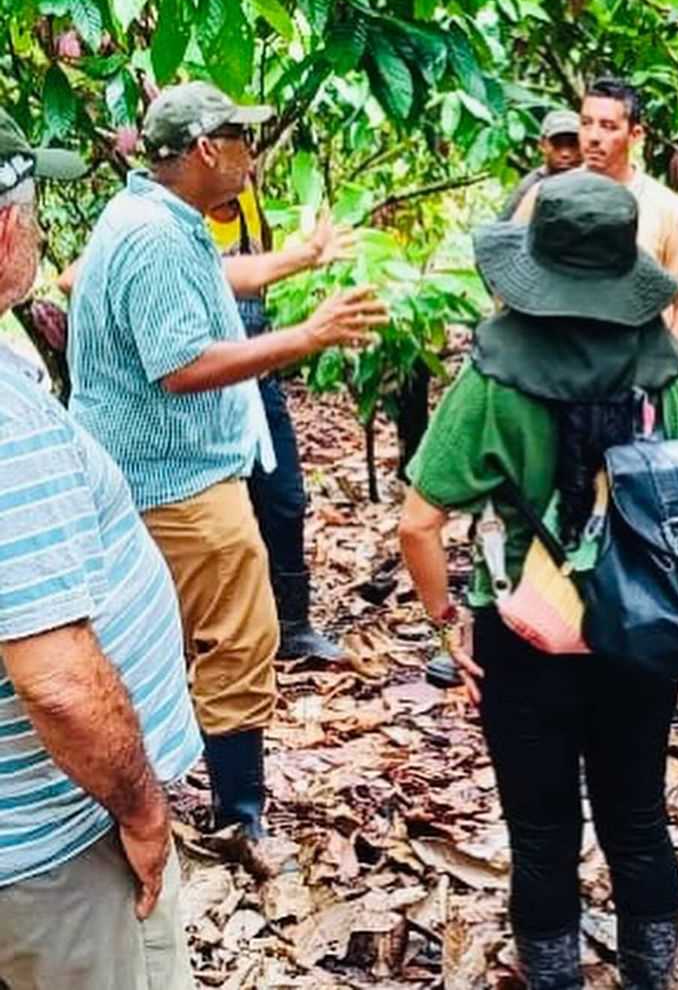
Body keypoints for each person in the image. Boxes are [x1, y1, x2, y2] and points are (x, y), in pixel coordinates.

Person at [399, 172, 678, 990]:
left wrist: (445, 623)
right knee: (639, 818)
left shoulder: (493, 380)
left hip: (524, 629)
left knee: (541, 832)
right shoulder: (667, 375)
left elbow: (417, 520)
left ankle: (554, 978)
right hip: (643, 621)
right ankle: (651, 975)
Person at [67, 81, 387, 875]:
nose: (252, 156)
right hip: (176, 483)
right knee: (239, 638)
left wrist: (302, 259)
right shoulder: (156, 238)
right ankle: (239, 814)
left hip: (145, 475)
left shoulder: (155, 219)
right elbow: (182, 366)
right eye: (242, 139)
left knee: (156, 639)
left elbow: (216, 284)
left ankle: (148, 793)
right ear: (207, 147)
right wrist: (306, 337)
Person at [0, 109, 201, 988]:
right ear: (6, 225)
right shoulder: (6, 432)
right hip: (53, 850)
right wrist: (142, 805)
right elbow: (58, 680)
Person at [206, 184, 355, 661]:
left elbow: (256, 270)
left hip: (257, 378)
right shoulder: (169, 224)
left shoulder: (246, 202)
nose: (243, 165)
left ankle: (292, 625)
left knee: (285, 497)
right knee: (218, 513)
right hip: (203, 383)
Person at [513, 77, 678, 350]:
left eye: (608, 127)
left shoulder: (666, 209)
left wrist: (665, 369)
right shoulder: (545, 198)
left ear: (635, 134)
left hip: (636, 366)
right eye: (586, 123)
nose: (593, 137)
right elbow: (511, 277)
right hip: (556, 364)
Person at [499, 107, 582, 220]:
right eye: (557, 144)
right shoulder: (529, 188)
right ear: (542, 145)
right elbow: (505, 230)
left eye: (572, 144)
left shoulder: (593, 182)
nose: (565, 153)